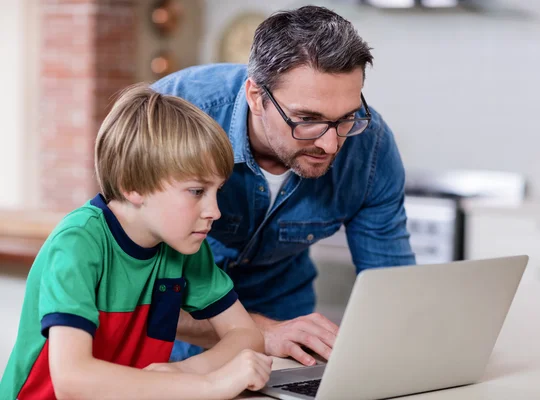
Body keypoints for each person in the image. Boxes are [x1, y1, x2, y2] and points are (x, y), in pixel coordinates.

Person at [153, 5, 416, 367]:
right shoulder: (170, 113)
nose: (331, 145)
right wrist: (258, 332)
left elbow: (393, 290)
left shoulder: (370, 147)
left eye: (346, 118)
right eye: (308, 120)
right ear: (256, 97)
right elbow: (124, 289)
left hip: (286, 323)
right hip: (169, 327)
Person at [0, 84, 272, 400]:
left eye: (217, 192)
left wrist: (183, 371)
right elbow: (72, 380)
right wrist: (208, 385)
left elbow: (246, 335)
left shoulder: (184, 245)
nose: (214, 211)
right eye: (197, 192)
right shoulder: (77, 243)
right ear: (133, 186)